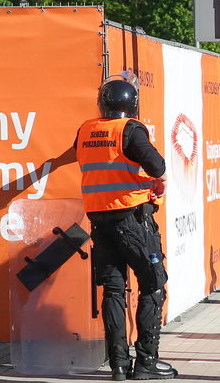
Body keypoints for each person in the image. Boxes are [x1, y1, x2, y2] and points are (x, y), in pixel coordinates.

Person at [74, 79, 177, 380]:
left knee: (114, 290)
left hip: (100, 223)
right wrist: (161, 181)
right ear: (131, 105)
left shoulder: (86, 129)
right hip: (133, 220)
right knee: (153, 284)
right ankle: (146, 362)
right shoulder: (130, 129)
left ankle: (119, 365)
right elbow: (156, 164)